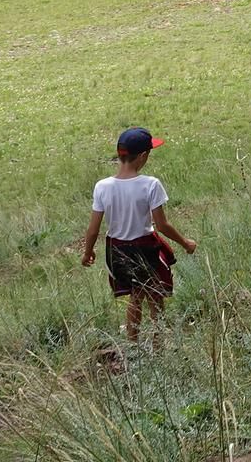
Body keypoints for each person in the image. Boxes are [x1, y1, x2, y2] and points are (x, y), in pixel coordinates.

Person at [80, 127, 196, 342]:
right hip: (145, 248)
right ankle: (158, 344)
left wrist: (87, 252)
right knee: (155, 295)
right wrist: (185, 242)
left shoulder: (102, 187)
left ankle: (133, 345)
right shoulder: (150, 185)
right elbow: (161, 225)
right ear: (143, 156)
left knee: (136, 295)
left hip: (117, 250)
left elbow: (94, 228)